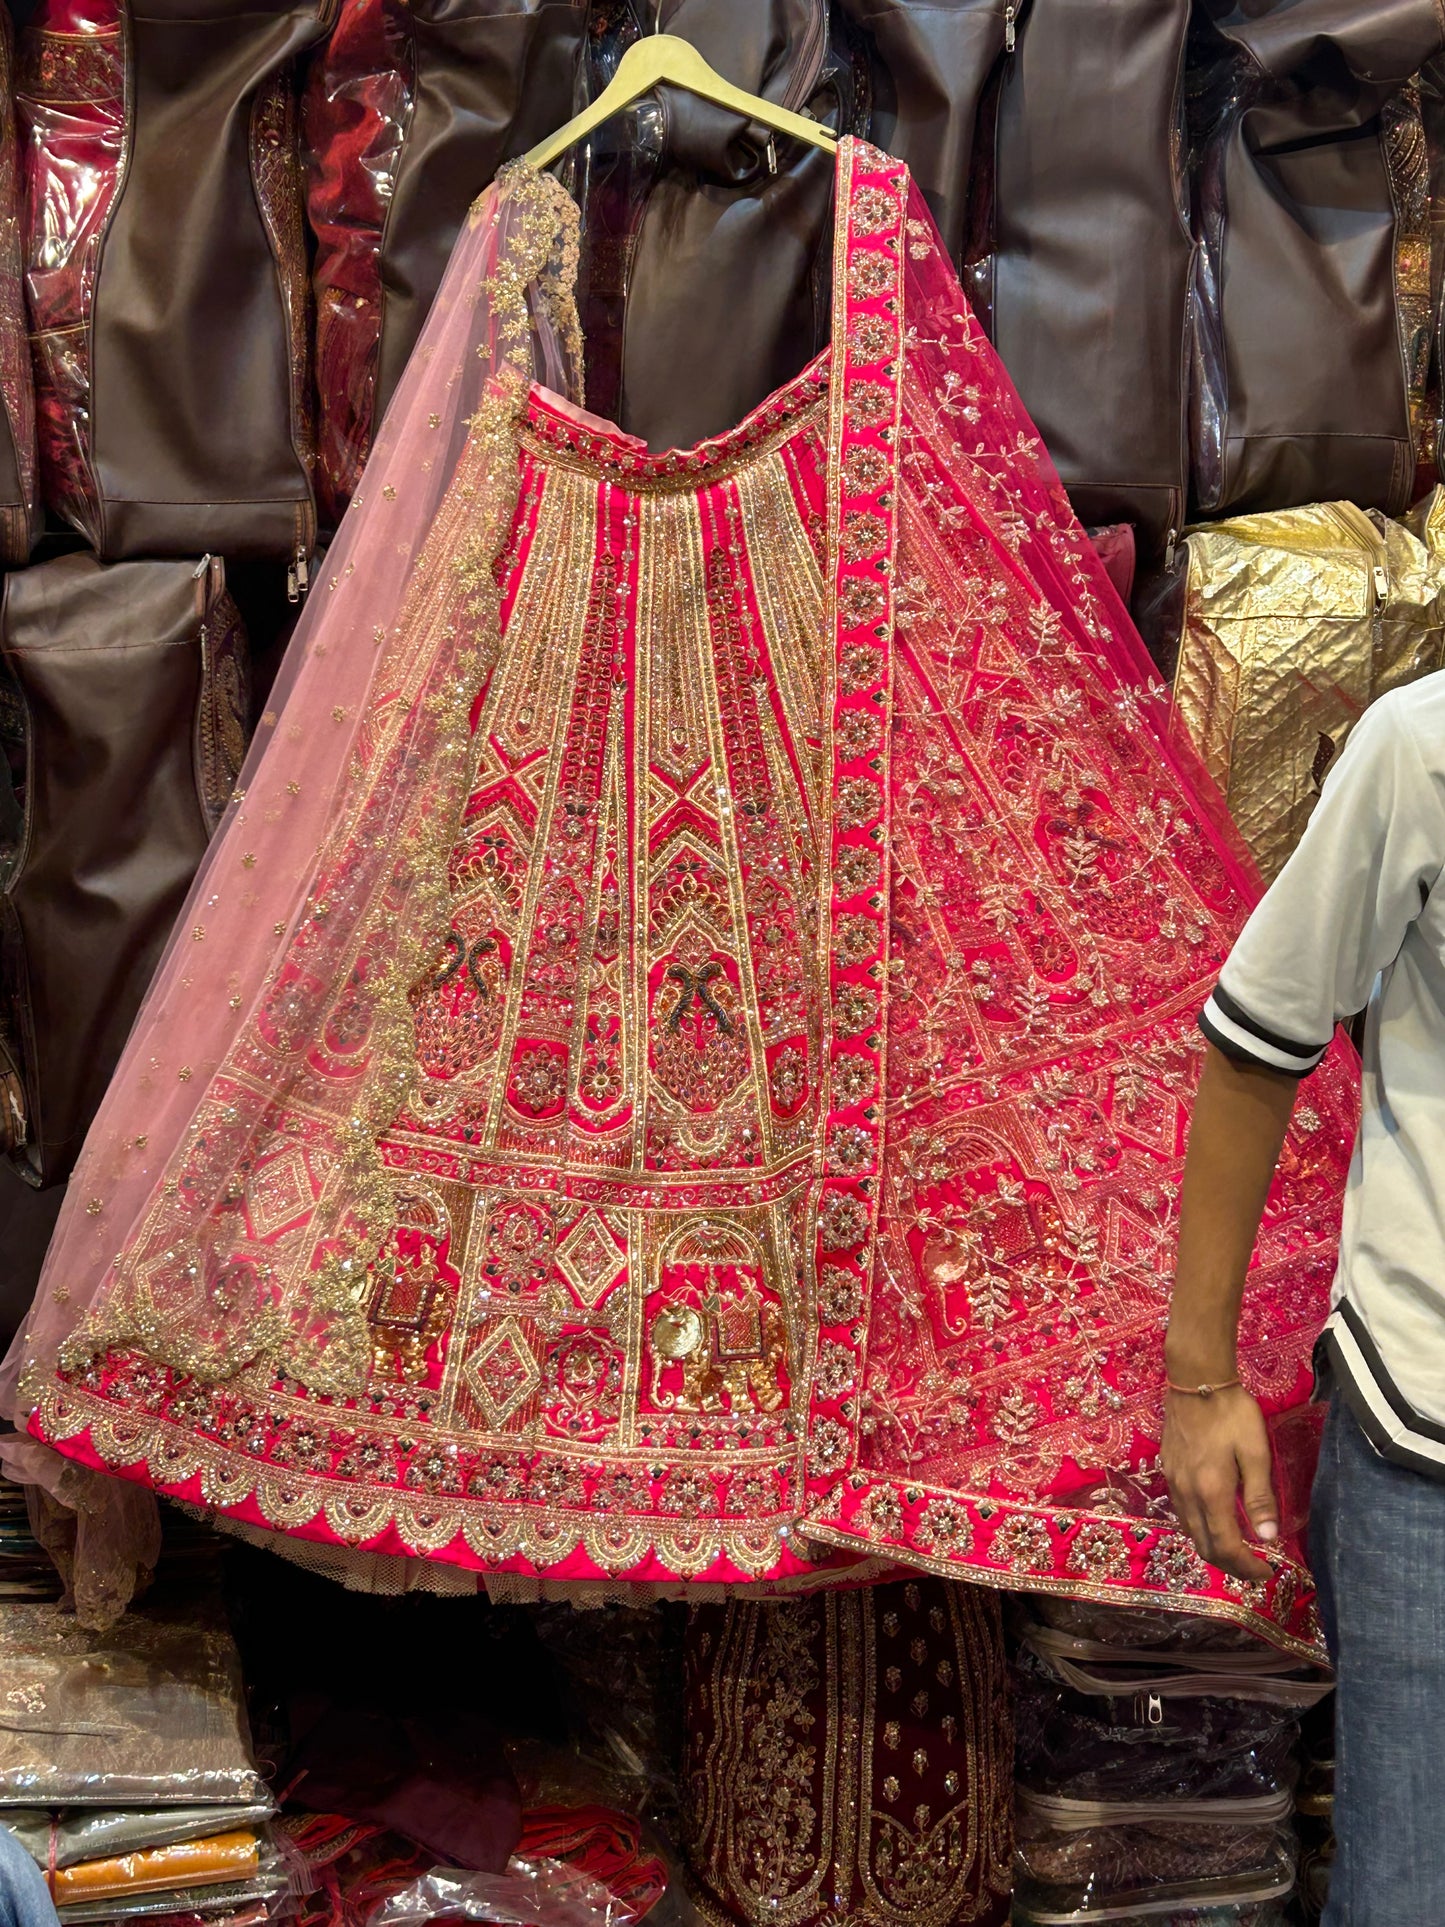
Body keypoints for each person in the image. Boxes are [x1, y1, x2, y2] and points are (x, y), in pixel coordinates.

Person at [1162, 674, 1445, 1924]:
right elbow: (1256, 1033)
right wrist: (1198, 1375)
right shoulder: (1420, 748)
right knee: (1405, 1887)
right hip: (1425, 1436)